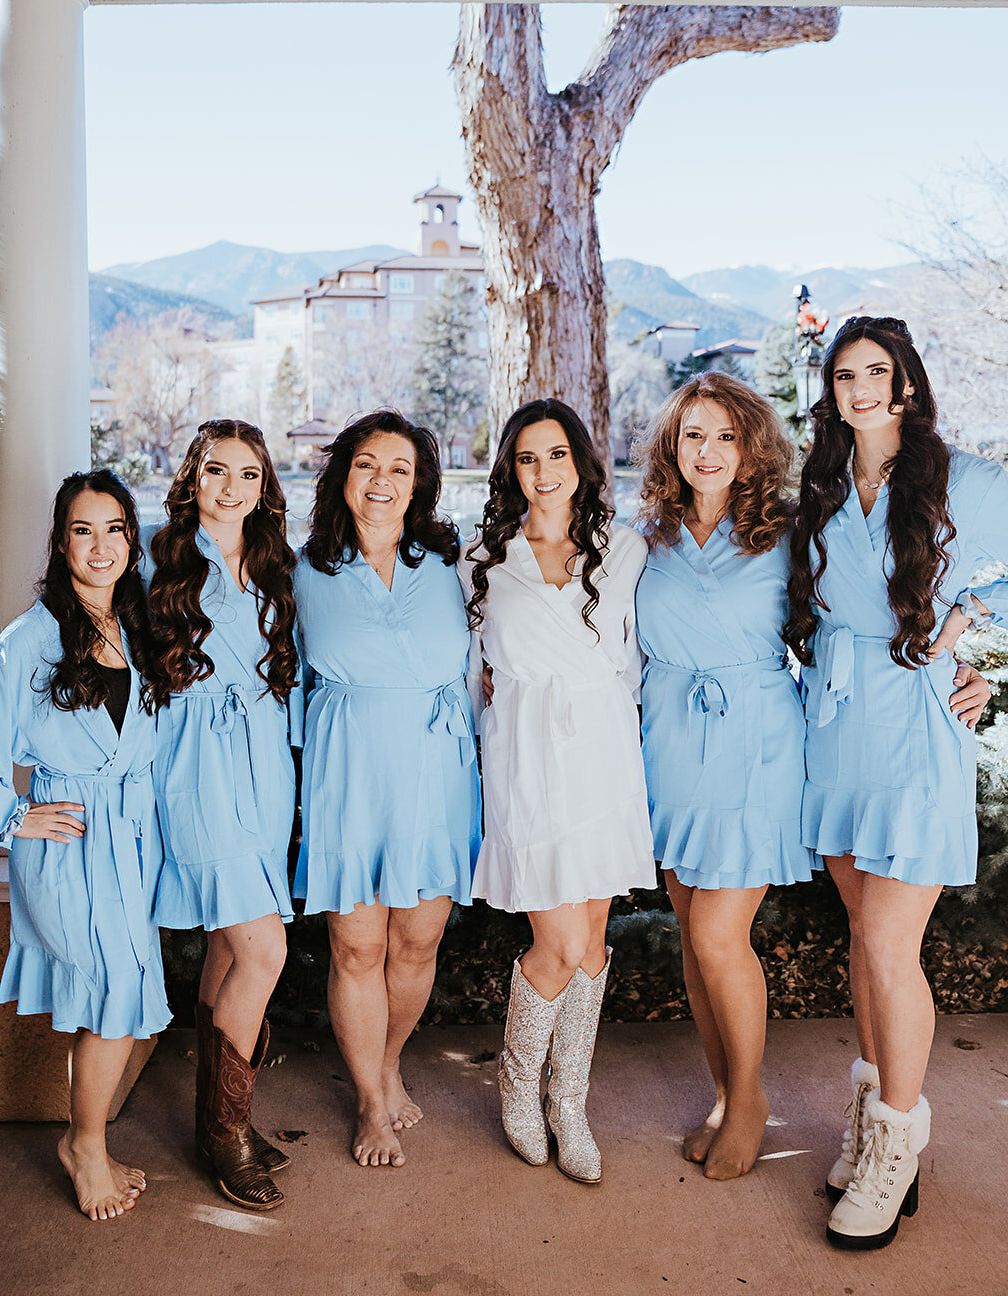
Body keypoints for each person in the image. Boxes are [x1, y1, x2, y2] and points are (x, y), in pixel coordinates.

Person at [786, 315, 1008, 1250]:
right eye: (844, 375)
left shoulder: (968, 478)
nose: (860, 388)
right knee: (859, 935)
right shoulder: (823, 483)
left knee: (888, 942)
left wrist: (985, 650)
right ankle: (874, 1114)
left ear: (906, 382)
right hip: (833, 723)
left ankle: (896, 1148)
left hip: (918, 720)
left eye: (876, 371)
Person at [0, 470, 169, 1221]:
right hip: (69, 841)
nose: (99, 546)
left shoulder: (138, 624)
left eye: (113, 529)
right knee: (109, 994)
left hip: (132, 842)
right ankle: (88, 1148)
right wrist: (12, 817)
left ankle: (84, 1138)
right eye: (82, 530)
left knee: (110, 993)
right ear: (61, 541)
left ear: (130, 540)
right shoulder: (30, 640)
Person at [460, 400, 657, 1185]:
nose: (542, 473)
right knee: (559, 944)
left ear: (580, 463)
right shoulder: (481, 557)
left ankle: (568, 1102)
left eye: (555, 456)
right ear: (510, 469)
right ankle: (517, 1090)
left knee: (593, 945)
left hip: (605, 754)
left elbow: (636, 660)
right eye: (526, 459)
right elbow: (464, 670)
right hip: (523, 756)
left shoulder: (625, 550)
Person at [633, 374, 816, 1181]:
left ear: (750, 450)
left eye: (723, 437)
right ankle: (722, 1091)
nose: (705, 452)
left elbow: (857, 622)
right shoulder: (648, 535)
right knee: (691, 937)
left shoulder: (787, 533)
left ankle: (748, 1102)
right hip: (666, 739)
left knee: (717, 933)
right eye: (691, 435)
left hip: (754, 737)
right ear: (673, 446)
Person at [294, 410, 481, 1169]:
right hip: (348, 772)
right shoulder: (300, 569)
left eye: (398, 468)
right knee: (356, 945)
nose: (381, 480)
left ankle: (390, 1058)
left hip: (435, 772)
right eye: (367, 464)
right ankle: (370, 1102)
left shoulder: (450, 565)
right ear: (343, 474)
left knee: (415, 941)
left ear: (419, 485)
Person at [147, 419, 298, 1212]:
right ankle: (228, 1132)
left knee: (227, 946)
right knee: (263, 949)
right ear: (192, 477)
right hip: (196, 769)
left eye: (247, 473)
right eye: (215, 470)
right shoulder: (159, 555)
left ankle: (216, 1114)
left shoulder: (275, 563)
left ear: (265, 486)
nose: (230, 486)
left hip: (263, 766)